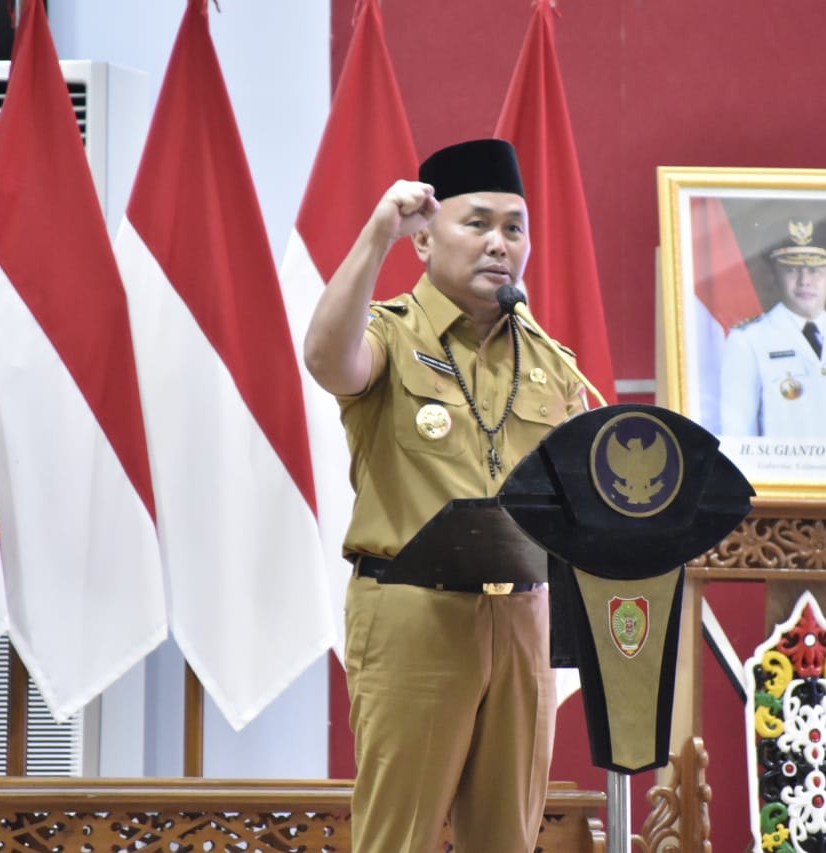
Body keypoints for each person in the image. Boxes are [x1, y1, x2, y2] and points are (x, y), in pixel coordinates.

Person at [303, 138, 586, 853]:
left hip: (521, 616)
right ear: (424, 239)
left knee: (508, 840)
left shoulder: (549, 361)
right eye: (479, 223)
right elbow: (326, 358)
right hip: (413, 611)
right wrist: (375, 235)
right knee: (398, 837)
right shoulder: (391, 335)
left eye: (514, 228)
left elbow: (597, 477)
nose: (500, 244)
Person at [717, 218, 826, 439]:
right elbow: (737, 433)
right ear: (774, 278)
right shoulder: (748, 341)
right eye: (792, 270)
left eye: (815, 270)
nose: (804, 280)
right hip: (779, 473)